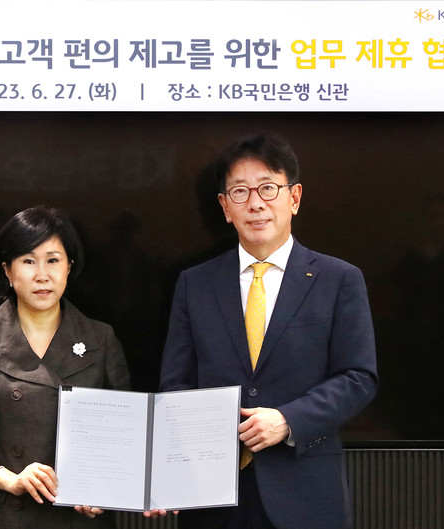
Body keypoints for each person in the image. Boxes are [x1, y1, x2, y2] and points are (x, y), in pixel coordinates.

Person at [158, 132, 378, 529]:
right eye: (240, 192)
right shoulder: (195, 284)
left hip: (305, 491)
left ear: (294, 198)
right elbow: (176, 384)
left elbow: (358, 377)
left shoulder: (338, 279)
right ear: (225, 207)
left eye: (268, 188)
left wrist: (289, 419)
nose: (255, 203)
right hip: (212, 497)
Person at [0, 206, 131, 528]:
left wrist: (102, 492)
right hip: (3, 516)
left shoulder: (101, 338)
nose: (42, 275)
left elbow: (123, 437)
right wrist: (9, 479)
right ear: (8, 271)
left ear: (69, 267)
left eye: (53, 260)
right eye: (28, 261)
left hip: (77, 520)